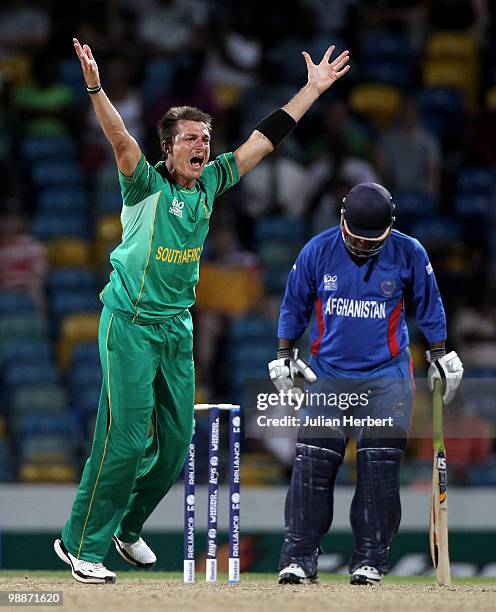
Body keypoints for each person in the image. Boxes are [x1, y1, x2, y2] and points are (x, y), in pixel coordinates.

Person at [53, 37, 350, 584]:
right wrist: (95, 86)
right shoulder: (142, 183)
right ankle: (80, 546)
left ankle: (127, 526)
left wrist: (310, 90)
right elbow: (119, 137)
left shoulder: (211, 182)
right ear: (167, 148)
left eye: (206, 139)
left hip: (177, 326)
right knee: (122, 437)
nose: (202, 146)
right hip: (130, 325)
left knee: (173, 447)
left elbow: (264, 141)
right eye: (190, 138)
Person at [268, 182, 464, 585]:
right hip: (328, 376)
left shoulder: (410, 252)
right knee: (311, 466)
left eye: (372, 240)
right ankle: (299, 558)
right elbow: (294, 304)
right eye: (356, 239)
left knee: (379, 470)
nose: (363, 247)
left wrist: (440, 354)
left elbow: (430, 305)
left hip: (386, 377)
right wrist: (285, 356)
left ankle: (369, 561)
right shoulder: (317, 250)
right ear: (342, 220)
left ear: (390, 227)